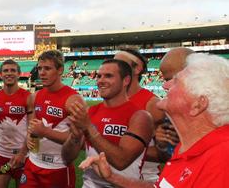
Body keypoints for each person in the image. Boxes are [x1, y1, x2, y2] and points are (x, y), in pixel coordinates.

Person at [79, 53, 229, 187]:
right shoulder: (189, 148)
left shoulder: (221, 159)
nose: (164, 85)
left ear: (198, 104)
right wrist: (112, 177)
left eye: (175, 81)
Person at [61, 59, 153, 187]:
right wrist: (74, 138)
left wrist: (89, 128)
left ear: (126, 80)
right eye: (99, 76)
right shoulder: (90, 112)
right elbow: (67, 159)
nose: (100, 81)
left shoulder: (140, 117)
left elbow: (121, 161)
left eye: (108, 76)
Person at [20, 50, 84, 188]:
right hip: (32, 163)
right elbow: (33, 126)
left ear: (60, 70)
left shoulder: (73, 100)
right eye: (40, 68)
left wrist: (45, 132)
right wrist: (30, 136)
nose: (42, 72)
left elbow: (80, 142)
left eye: (47, 68)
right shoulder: (35, 96)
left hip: (58, 167)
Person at [113, 48, 163, 182]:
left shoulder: (153, 105)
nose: (112, 66)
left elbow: (164, 153)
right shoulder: (110, 100)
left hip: (142, 180)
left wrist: (121, 152)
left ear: (137, 69)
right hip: (108, 178)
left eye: (119, 63)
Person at [0, 60, 32, 188]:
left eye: (13, 70)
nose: (9, 73)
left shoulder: (28, 97)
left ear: (19, 74)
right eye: (6, 71)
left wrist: (22, 153)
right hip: (1, 156)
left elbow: (33, 129)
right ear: (0, 74)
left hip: (24, 157)